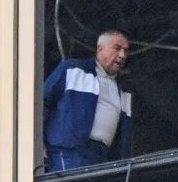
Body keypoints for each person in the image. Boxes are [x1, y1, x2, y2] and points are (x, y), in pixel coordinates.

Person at [41, 30, 134, 172]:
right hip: (69, 151)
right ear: (100, 49)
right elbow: (40, 102)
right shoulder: (73, 69)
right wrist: (37, 143)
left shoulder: (124, 90)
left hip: (103, 157)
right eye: (117, 48)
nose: (122, 55)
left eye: (125, 51)